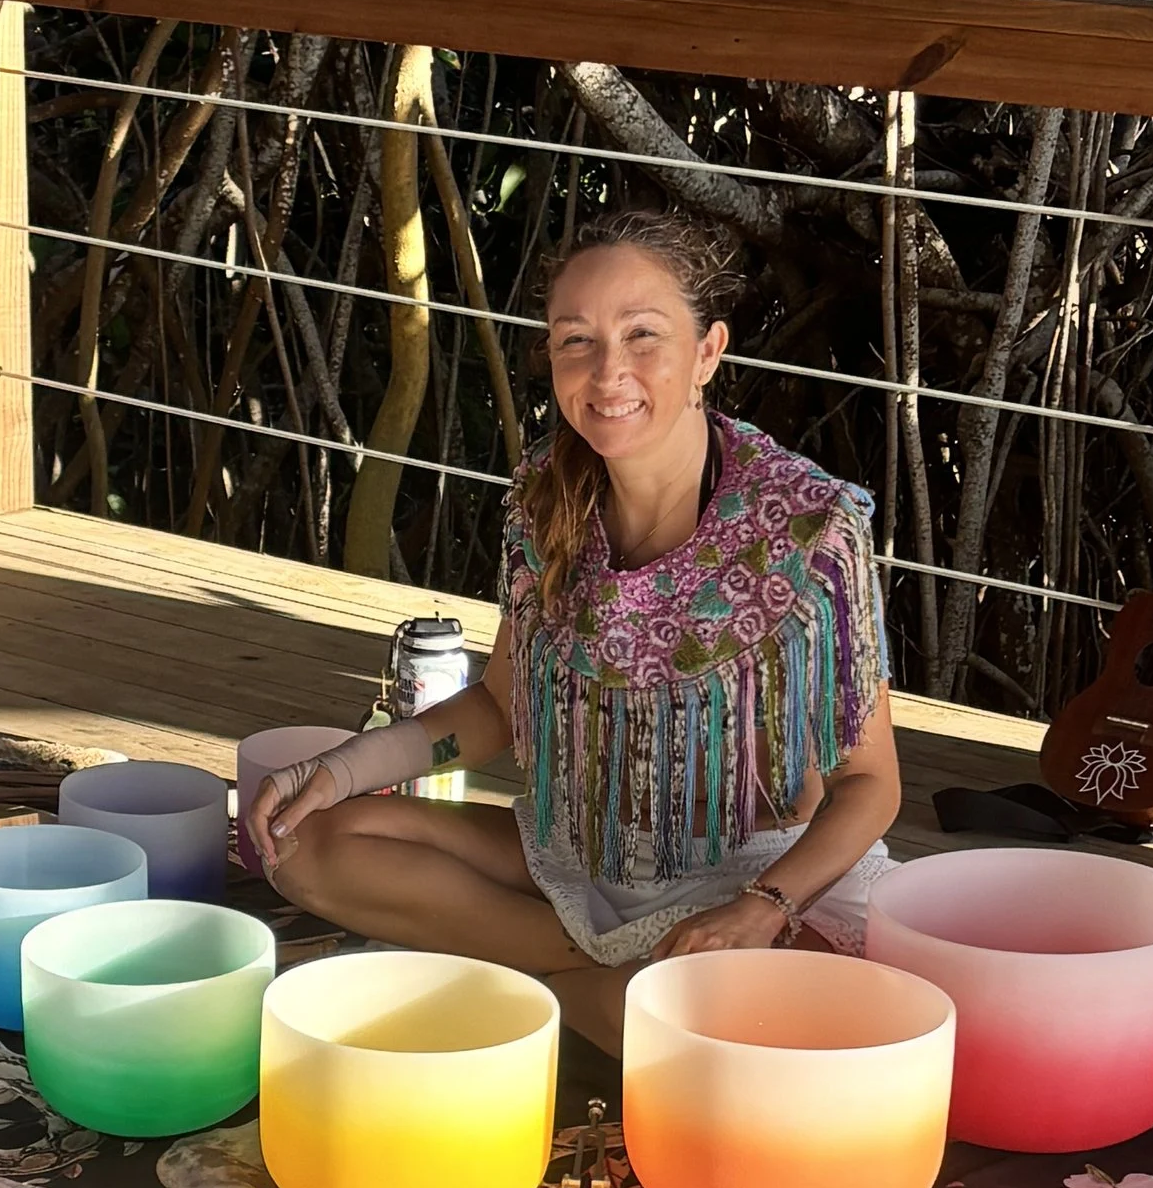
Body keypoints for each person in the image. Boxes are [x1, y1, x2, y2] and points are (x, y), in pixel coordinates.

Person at [251, 202, 901, 1055]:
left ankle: (578, 989)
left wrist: (760, 908)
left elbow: (871, 787)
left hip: (751, 878)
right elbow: (495, 708)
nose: (608, 373)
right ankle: (591, 983)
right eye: (576, 340)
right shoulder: (543, 501)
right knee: (301, 844)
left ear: (708, 351)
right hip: (582, 859)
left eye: (642, 336)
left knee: (719, 1032)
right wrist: (337, 769)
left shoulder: (810, 528)